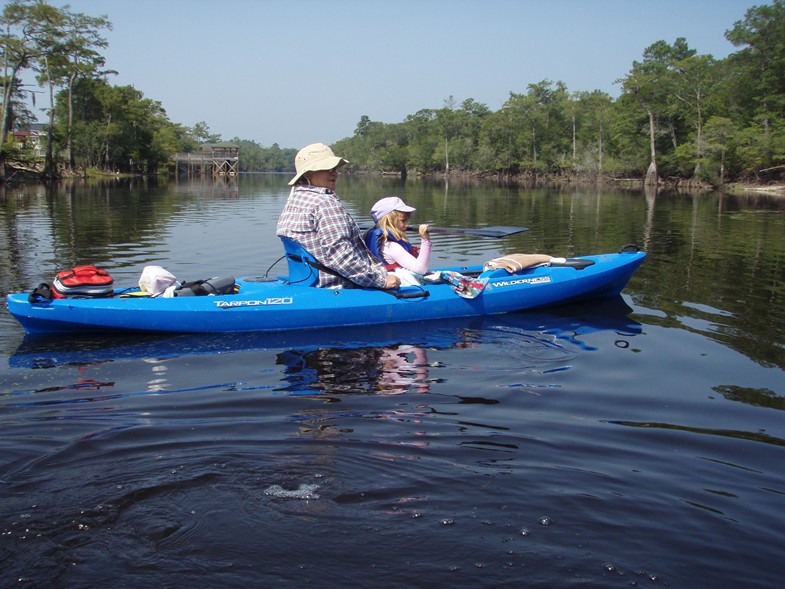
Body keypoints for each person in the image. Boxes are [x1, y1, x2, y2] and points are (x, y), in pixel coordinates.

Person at [276, 143, 400, 290]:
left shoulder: (294, 200)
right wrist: (382, 281)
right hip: (338, 286)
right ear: (308, 174)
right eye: (327, 168)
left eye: (335, 168)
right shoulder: (324, 203)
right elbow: (342, 257)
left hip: (308, 283)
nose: (334, 173)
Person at [364, 196, 432, 286]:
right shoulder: (391, 247)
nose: (407, 225)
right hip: (399, 286)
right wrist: (425, 240)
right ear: (389, 222)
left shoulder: (376, 239)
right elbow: (421, 269)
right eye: (403, 220)